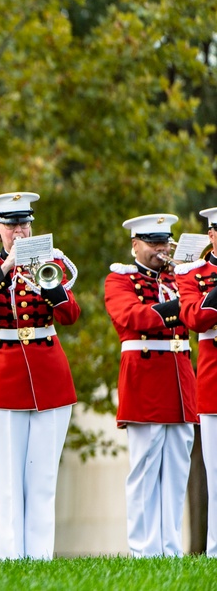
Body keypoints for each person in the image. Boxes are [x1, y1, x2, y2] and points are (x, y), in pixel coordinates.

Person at [0, 192, 80, 560]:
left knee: (43, 479)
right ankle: (12, 560)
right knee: (9, 483)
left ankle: (41, 560)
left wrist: (46, 281)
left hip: (49, 375)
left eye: (24, 223)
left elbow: (70, 316)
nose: (19, 230)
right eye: (11, 225)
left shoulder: (52, 262)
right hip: (0, 376)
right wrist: (8, 267)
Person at [104, 213, 196, 557]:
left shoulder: (180, 278)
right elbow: (131, 316)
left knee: (176, 472)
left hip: (180, 376)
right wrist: (180, 305)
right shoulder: (119, 279)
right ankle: (143, 550)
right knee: (144, 471)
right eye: (153, 243)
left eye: (164, 242)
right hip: (144, 377)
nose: (161, 249)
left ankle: (171, 549)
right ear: (135, 245)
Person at [174, 206, 217, 556]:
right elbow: (193, 318)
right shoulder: (194, 274)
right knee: (215, 478)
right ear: (212, 236)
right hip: (213, 380)